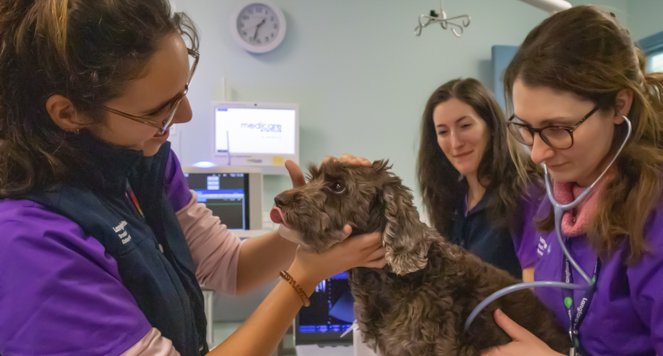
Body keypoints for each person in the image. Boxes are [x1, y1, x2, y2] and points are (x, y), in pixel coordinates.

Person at [0, 1, 385, 355]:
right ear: (68, 114)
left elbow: (229, 266)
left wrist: (299, 229)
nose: (184, 115)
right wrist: (303, 277)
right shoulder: (30, 244)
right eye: (159, 109)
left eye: (182, 92)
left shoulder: (143, 162)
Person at [482, 6, 663, 355]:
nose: (537, 154)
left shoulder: (653, 217)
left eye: (557, 129)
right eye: (526, 129)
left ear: (619, 106)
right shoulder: (562, 197)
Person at [417, 78, 542, 280]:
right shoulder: (452, 201)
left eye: (465, 126)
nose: (455, 143)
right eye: (443, 132)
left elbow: (536, 292)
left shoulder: (527, 193)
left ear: (492, 127)